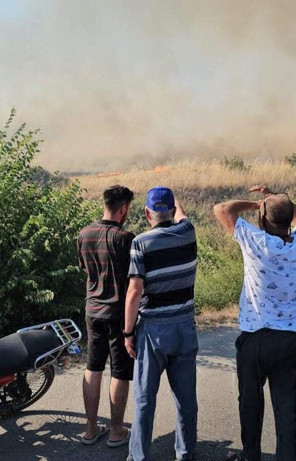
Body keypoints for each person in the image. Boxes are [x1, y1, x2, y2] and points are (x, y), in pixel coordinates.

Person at [212, 186, 296, 461]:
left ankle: (251, 456)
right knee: (287, 406)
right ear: (290, 219)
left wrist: (258, 203)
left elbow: (221, 209)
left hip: (256, 336)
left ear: (264, 220)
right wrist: (280, 200)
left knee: (250, 402)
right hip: (290, 336)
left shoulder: (257, 242)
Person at [124, 186, 198, 461]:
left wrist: (128, 332)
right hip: (185, 326)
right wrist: (175, 198)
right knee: (186, 398)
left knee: (145, 400)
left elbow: (134, 291)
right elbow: (182, 213)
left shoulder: (141, 243)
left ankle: (139, 456)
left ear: (147, 213)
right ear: (172, 211)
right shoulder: (188, 231)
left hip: (153, 329)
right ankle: (185, 453)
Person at [77, 185, 136, 448]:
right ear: (123, 208)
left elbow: (85, 270)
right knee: (120, 371)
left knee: (93, 367)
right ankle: (115, 431)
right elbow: (134, 280)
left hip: (92, 311)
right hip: (117, 314)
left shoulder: (84, 234)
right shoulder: (125, 237)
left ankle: (90, 431)